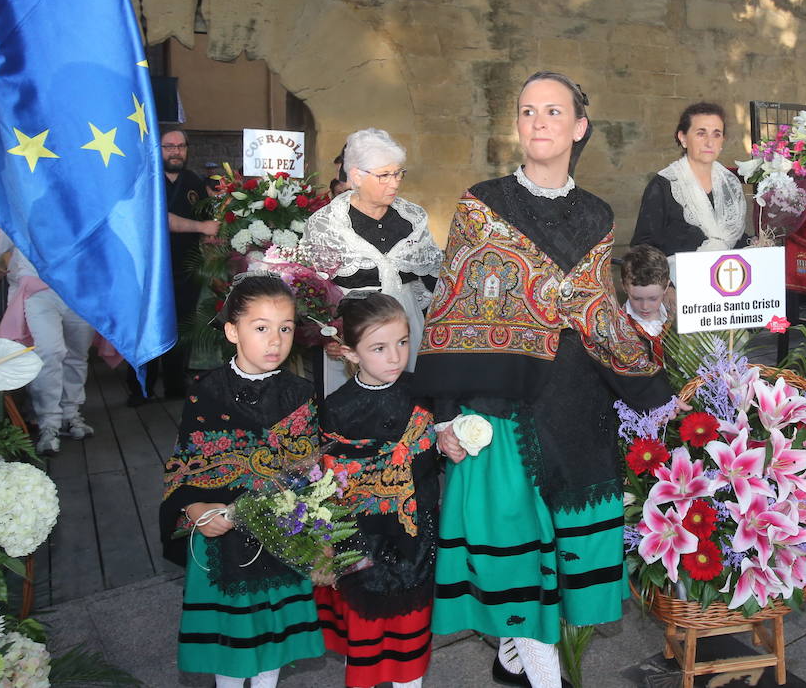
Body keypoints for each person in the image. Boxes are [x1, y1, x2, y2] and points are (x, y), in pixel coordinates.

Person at [413, 71, 673, 688]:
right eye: (528, 112)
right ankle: (540, 669)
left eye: (552, 112)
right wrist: (446, 415)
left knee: (561, 539)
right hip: (499, 395)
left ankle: (514, 653)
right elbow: (455, 309)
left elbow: (595, 311)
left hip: (577, 394)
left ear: (578, 128)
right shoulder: (483, 203)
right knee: (514, 530)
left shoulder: (599, 213)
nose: (538, 123)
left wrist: (652, 387)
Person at [159, 274, 325, 688]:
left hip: (280, 533)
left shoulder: (300, 393)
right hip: (220, 537)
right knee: (230, 639)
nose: (275, 340)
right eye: (262, 328)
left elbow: (305, 469)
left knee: (272, 635)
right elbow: (188, 461)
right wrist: (195, 507)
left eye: (285, 329)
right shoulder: (206, 391)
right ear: (233, 331)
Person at [316, 293, 439, 688]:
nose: (395, 357)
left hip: (417, 535)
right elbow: (330, 485)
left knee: (411, 641)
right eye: (379, 348)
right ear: (350, 353)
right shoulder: (337, 409)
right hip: (362, 542)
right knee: (366, 640)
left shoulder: (423, 392)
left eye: (402, 342)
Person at [302, 128, 440, 393]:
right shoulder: (326, 223)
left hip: (405, 330)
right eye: (384, 175)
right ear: (356, 176)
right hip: (350, 337)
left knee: (410, 405)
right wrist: (326, 334)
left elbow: (433, 278)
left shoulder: (413, 218)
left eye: (399, 172)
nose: (395, 182)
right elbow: (311, 292)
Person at [0, 212, 94, 455]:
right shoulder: (21, 192)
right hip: (37, 290)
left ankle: (71, 413)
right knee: (49, 352)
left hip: (82, 286)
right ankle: (48, 422)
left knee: (77, 353)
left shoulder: (86, 191)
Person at [132, 128, 221, 405]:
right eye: (169, 146)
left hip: (185, 270)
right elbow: (159, 218)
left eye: (181, 146)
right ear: (156, 149)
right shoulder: (144, 180)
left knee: (180, 327)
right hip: (149, 272)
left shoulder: (193, 181)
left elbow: (209, 220)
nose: (175, 151)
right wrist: (201, 226)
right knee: (145, 328)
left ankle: (174, 384)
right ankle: (140, 388)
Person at [631, 102, 748, 268]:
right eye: (701, 133)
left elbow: (735, 237)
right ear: (683, 138)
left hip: (728, 281)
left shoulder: (730, 184)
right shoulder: (664, 185)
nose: (709, 142)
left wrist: (758, 243)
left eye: (716, 134)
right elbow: (643, 248)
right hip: (675, 286)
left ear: (723, 141)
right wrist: (667, 287)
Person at [620, 244, 671, 343]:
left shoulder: (675, 320)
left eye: (653, 299)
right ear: (624, 286)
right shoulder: (619, 326)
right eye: (636, 298)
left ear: (666, 287)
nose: (645, 306)